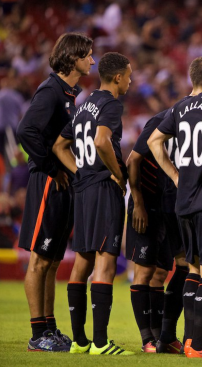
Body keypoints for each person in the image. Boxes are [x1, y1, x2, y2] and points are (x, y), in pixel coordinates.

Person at [147, 55, 202, 359]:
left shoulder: (182, 106)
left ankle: (189, 342)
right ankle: (197, 345)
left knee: (193, 268)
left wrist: (175, 175)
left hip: (183, 200)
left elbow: (154, 141)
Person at [124, 57, 202, 355]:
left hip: (177, 207)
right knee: (146, 273)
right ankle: (148, 338)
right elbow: (133, 159)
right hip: (149, 207)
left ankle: (165, 337)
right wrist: (137, 203)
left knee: (178, 268)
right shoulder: (163, 118)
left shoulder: (200, 122)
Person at [16, 33, 93, 352]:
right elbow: (25, 131)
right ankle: (38, 334)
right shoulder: (50, 91)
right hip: (48, 182)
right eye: (88, 55)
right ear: (73, 58)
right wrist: (52, 168)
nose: (92, 60)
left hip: (60, 183)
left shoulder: (67, 93)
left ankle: (49, 327)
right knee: (39, 259)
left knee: (50, 260)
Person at [53, 52, 134, 355]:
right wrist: (118, 174)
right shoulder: (111, 104)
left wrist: (78, 172)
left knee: (82, 262)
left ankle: (79, 341)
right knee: (105, 261)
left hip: (83, 190)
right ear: (117, 77)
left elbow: (59, 146)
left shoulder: (83, 104)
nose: (131, 80)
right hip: (102, 189)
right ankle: (100, 342)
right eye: (129, 75)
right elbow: (101, 141)